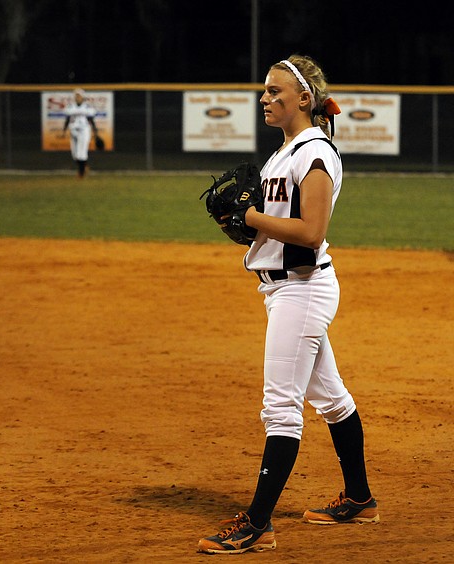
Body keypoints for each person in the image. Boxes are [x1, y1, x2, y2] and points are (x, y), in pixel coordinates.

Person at [197, 55, 379, 555]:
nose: (265, 99)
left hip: (303, 289)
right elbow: (275, 229)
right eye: (264, 91)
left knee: (281, 409)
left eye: (276, 91)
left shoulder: (315, 154)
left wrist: (251, 216)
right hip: (285, 287)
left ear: (305, 99)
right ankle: (360, 499)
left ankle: (258, 525)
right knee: (332, 399)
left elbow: (312, 233)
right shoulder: (283, 154)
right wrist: (241, 225)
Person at [61, 88, 99, 178]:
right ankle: (84, 166)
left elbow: (91, 120)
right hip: (73, 130)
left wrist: (95, 131)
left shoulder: (87, 107)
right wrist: (64, 130)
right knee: (74, 155)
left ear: (83, 97)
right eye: (76, 95)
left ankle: (81, 174)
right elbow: (67, 119)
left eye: (79, 95)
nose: (77, 97)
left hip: (84, 131)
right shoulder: (70, 107)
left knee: (81, 153)